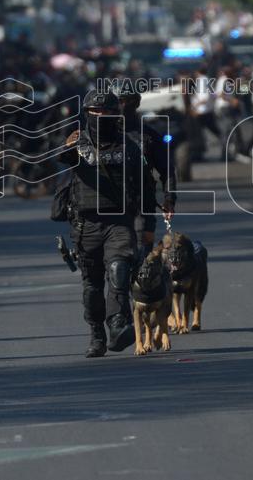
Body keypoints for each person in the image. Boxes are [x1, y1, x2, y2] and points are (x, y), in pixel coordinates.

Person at [60, 91, 141, 357]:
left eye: (106, 112)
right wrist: (67, 147)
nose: (101, 117)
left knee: (119, 270)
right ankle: (96, 334)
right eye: (95, 113)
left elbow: (142, 184)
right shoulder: (77, 143)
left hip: (119, 220)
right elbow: (64, 161)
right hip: (86, 223)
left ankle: (118, 323)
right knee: (92, 285)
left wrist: (147, 222)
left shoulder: (128, 144)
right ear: (87, 114)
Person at [116, 86, 176, 261]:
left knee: (143, 255)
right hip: (110, 204)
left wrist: (169, 200)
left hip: (142, 202)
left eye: (122, 101)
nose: (117, 106)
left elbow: (167, 170)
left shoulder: (149, 136)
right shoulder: (101, 135)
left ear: (134, 103)